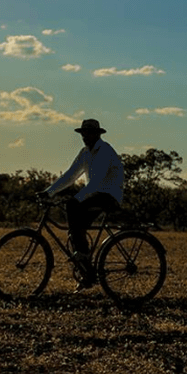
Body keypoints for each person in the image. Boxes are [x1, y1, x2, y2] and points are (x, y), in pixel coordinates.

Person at [38, 118, 124, 290]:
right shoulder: (85, 152)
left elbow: (97, 182)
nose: (85, 136)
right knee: (76, 227)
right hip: (95, 194)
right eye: (83, 133)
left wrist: (77, 198)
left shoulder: (104, 150)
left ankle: (83, 256)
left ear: (97, 134)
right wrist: (49, 191)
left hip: (108, 195)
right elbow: (70, 175)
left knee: (73, 207)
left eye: (89, 133)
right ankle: (86, 269)